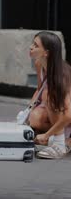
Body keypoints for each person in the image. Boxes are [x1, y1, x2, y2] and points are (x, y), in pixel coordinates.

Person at [28, 31, 71, 159]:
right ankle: (64, 139)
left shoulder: (61, 77)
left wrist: (46, 135)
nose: (31, 47)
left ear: (46, 53)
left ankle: (60, 144)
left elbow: (69, 115)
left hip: (68, 115)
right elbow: (40, 88)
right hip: (62, 113)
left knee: (49, 95)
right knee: (34, 117)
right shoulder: (39, 63)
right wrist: (27, 112)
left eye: (35, 45)